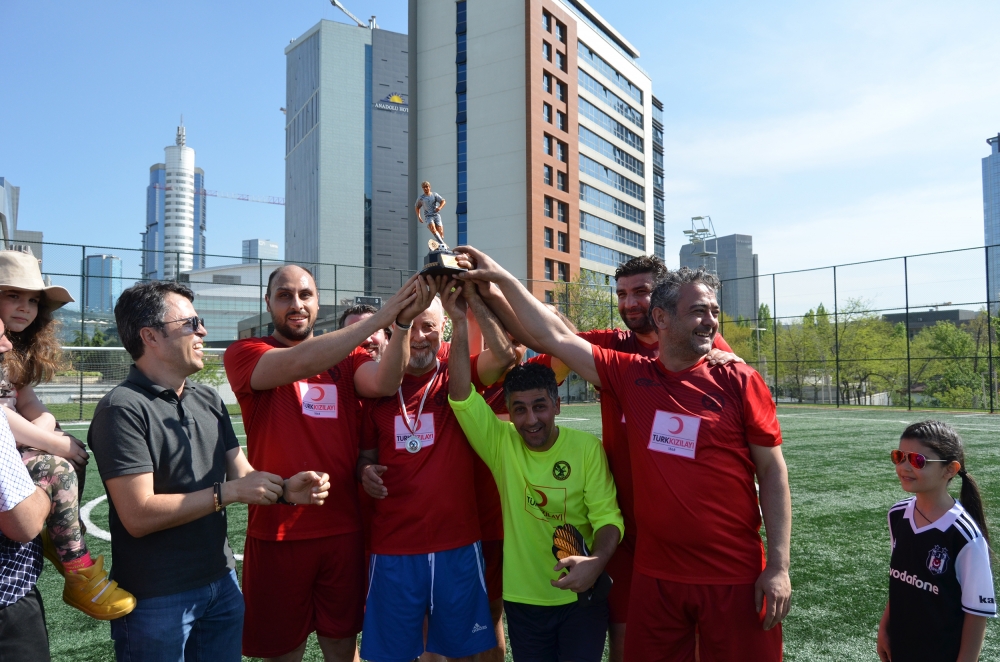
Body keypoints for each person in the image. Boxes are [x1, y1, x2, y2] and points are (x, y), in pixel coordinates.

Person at [456, 248, 791, 662]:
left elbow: (772, 471)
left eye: (713, 311)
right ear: (663, 318)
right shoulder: (629, 372)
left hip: (730, 568)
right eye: (698, 311)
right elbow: (552, 335)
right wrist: (499, 277)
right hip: (649, 560)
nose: (710, 321)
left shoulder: (735, 376)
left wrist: (779, 566)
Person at [89, 281, 330, 662]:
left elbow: (241, 473)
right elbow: (138, 514)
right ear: (150, 336)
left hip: (221, 583)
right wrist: (226, 494)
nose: (202, 331)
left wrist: (285, 489)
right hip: (157, 597)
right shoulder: (122, 408)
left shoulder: (207, 398)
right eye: (190, 323)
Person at [224, 267, 428, 662]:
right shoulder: (246, 352)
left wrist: (401, 324)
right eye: (284, 295)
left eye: (305, 295)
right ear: (268, 303)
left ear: (318, 303)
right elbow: (299, 361)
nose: (296, 304)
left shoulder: (349, 358)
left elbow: (385, 383)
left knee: (342, 647)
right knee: (283, 652)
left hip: (342, 530)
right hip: (276, 532)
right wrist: (382, 316)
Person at [448, 290, 624, 662]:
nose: (530, 420)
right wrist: (459, 321)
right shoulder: (501, 443)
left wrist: (596, 563)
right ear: (508, 411)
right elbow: (460, 394)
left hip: (582, 595)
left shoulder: (586, 448)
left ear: (557, 404)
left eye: (540, 407)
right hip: (524, 600)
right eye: (520, 410)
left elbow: (608, 518)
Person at [357, 279, 517, 662]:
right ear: (393, 327)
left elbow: (503, 357)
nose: (418, 337)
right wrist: (365, 471)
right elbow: (365, 456)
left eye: (428, 325)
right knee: (394, 654)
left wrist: (465, 313)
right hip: (394, 545)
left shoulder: (456, 369)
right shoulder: (378, 386)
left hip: (457, 542)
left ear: (442, 327)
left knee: (463, 650)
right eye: (410, 324)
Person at [0, 250, 134, 618]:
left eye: (33, 300)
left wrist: (49, 431)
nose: (25, 307)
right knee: (58, 466)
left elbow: (30, 404)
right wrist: (50, 441)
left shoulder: (14, 348)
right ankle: (77, 570)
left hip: (14, 443)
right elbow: (2, 417)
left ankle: (59, 534)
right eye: (13, 295)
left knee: (72, 450)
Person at [877, 421, 995, 662]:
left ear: (950, 469)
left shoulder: (964, 535)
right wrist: (884, 627)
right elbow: (902, 579)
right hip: (901, 648)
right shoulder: (897, 514)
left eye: (917, 460)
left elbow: (976, 614)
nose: (904, 467)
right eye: (899, 456)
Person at [0, 315, 55, 661]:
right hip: (8, 598)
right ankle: (74, 558)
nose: (7, 344)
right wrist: (46, 492)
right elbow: (23, 524)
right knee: (59, 471)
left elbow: (35, 408)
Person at [415, 181, 447, 247]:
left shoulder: (434, 195)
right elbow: (417, 207)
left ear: (429, 187)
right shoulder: (421, 198)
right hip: (428, 216)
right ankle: (442, 244)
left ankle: (439, 244)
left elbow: (443, 201)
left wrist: (440, 207)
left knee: (441, 233)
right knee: (433, 229)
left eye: (426, 187)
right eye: (424, 187)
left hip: (436, 215)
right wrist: (419, 216)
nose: (425, 188)